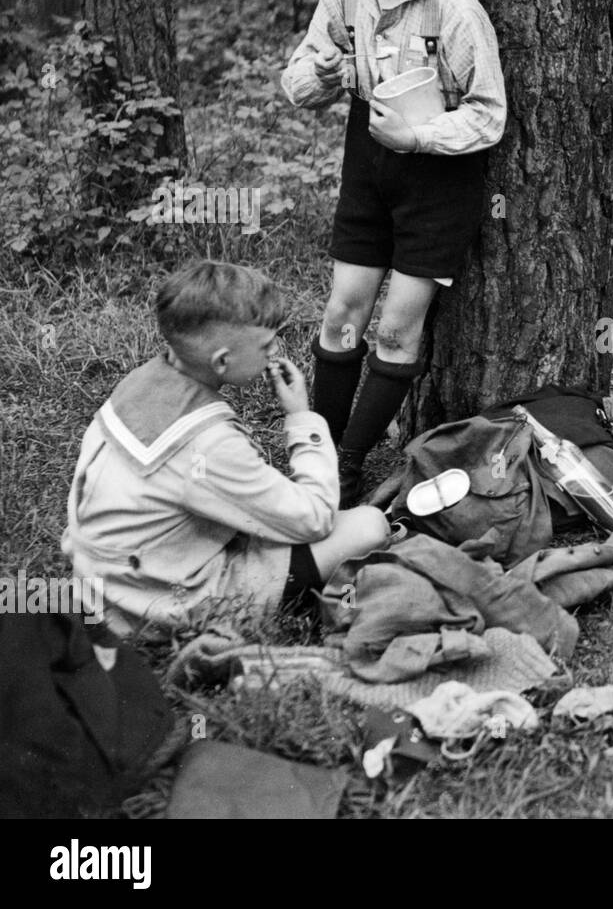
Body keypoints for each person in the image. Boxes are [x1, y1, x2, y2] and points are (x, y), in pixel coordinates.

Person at [281, 0, 507, 505]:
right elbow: (299, 77)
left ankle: (350, 466)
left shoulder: (453, 4)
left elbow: (489, 113)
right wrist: (317, 80)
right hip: (368, 168)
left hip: (437, 181)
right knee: (341, 315)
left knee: (396, 331)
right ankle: (318, 456)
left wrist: (420, 138)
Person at [62, 261, 390, 639]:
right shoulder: (210, 445)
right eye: (266, 344)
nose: (275, 351)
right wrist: (302, 418)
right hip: (156, 606)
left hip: (105, 581)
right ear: (222, 361)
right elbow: (315, 517)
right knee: (369, 526)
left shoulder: (141, 382)